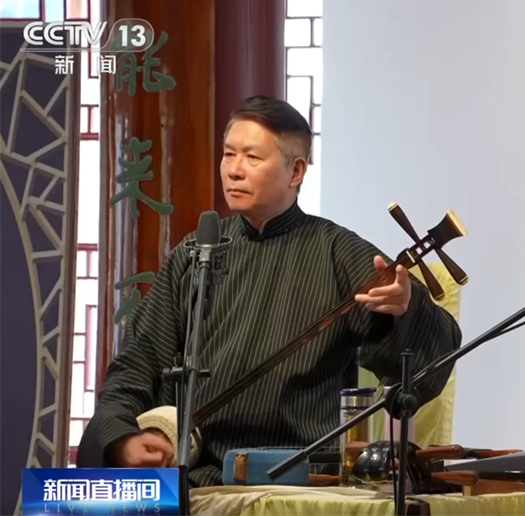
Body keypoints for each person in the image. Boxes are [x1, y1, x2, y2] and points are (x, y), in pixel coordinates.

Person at [77, 95, 463, 487]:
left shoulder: (337, 251)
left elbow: (433, 355)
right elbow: (138, 362)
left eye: (252, 157)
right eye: (229, 154)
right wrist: (121, 438)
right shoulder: (196, 253)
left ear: (296, 170)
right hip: (193, 474)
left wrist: (406, 307)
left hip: (296, 479)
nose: (234, 170)